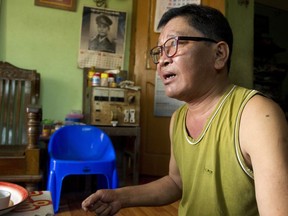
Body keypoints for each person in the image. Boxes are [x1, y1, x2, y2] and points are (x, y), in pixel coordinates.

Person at [82, 4, 288, 215]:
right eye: (159, 51)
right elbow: (176, 182)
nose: (161, 60)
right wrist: (121, 196)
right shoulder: (178, 119)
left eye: (173, 44)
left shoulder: (257, 116)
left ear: (219, 54)